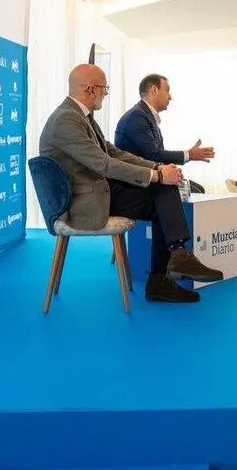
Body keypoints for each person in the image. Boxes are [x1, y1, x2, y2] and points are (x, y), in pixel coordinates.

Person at [39, 64, 223, 304]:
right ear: (91, 89)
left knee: (162, 193)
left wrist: (155, 169)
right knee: (161, 190)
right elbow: (103, 163)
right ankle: (168, 269)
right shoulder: (66, 120)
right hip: (83, 202)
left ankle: (170, 267)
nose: (106, 93)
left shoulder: (79, 116)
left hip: (96, 190)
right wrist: (156, 175)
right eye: (105, 88)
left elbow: (114, 153)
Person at [113, 74, 212, 194]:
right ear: (154, 89)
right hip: (138, 184)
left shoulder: (145, 115)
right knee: (195, 192)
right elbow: (153, 155)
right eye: (167, 91)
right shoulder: (137, 116)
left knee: (198, 189)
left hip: (153, 178)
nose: (170, 97)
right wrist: (188, 155)